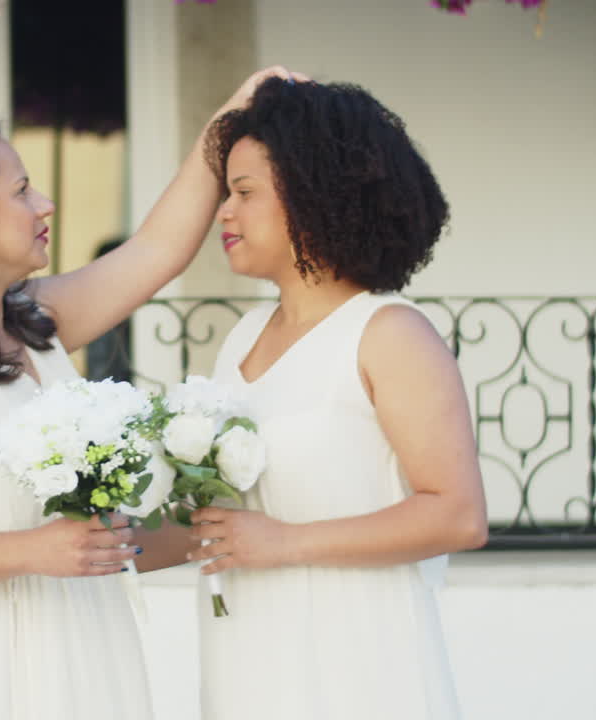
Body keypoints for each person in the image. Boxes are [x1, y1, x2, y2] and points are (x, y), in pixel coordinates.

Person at [0, 67, 303, 719]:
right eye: (23, 191)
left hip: (86, 645)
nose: (46, 205)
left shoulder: (32, 322)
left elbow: (156, 250)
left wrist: (235, 109)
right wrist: (33, 551)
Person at [184, 77, 489, 719]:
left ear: (310, 197)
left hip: (356, 667)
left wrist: (286, 543)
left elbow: (458, 515)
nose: (223, 213)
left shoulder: (389, 335)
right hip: (249, 661)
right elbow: (220, 523)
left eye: (244, 193)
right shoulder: (239, 340)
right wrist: (102, 534)